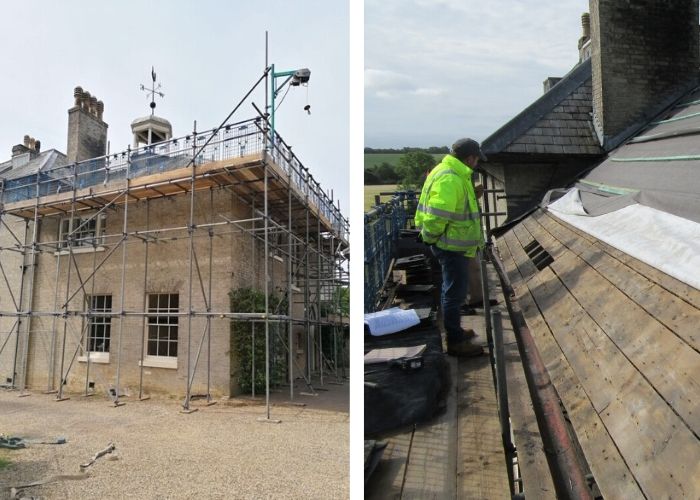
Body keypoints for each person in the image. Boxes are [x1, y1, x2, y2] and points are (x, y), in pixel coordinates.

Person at [414, 138, 486, 357]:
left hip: (452, 245)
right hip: (451, 246)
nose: (476, 164)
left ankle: (455, 330)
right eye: (476, 160)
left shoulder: (448, 172)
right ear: (469, 158)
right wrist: (430, 236)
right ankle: (454, 341)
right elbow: (437, 215)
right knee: (454, 293)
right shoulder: (451, 178)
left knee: (453, 291)